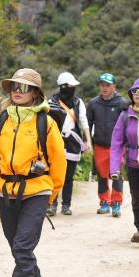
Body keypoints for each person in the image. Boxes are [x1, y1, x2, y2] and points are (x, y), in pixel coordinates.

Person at [0, 68, 65, 277]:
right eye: (14, 86)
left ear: (35, 93)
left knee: (22, 246)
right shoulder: (1, 119)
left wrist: (50, 197)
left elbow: (59, 163)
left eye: (24, 87)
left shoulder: (46, 123)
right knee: (16, 245)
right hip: (5, 190)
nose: (17, 91)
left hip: (37, 191)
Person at [109, 78, 139, 246]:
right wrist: (115, 168)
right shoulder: (124, 116)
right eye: (134, 91)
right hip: (131, 163)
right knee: (136, 198)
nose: (137, 94)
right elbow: (116, 142)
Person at [46, 72, 91, 216]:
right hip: (55, 141)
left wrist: (88, 141)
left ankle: (66, 205)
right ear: (63, 86)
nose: (73, 89)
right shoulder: (51, 102)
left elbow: (84, 122)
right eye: (71, 86)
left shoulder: (78, 102)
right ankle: (52, 204)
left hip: (73, 142)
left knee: (69, 177)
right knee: (53, 174)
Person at [86, 73, 127, 217]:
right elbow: (88, 123)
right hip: (99, 144)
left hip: (117, 146)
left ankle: (116, 204)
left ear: (114, 86)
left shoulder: (122, 103)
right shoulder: (93, 103)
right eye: (102, 85)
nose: (104, 88)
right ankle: (104, 202)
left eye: (108, 85)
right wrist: (86, 141)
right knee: (102, 174)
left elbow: (127, 124)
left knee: (116, 173)